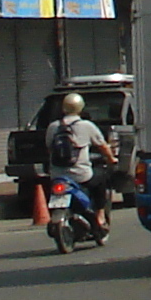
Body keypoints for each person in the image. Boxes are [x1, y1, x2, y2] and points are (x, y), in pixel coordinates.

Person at [47, 94, 114, 241]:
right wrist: (111, 159)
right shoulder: (86, 126)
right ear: (81, 107)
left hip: (57, 176)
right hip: (81, 175)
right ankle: (100, 216)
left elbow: (49, 149)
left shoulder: (53, 127)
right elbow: (103, 146)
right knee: (101, 178)